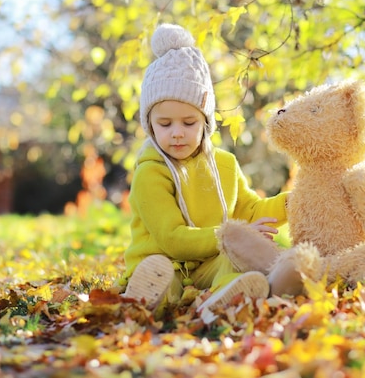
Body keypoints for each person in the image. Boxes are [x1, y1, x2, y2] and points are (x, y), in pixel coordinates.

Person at [121, 23, 288, 314]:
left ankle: (226, 297)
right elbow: (172, 238)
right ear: (150, 125)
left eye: (189, 123)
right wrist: (231, 235)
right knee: (164, 277)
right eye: (164, 124)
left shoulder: (224, 164)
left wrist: (292, 204)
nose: (177, 133)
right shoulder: (150, 172)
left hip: (207, 265)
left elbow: (250, 212)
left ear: (206, 122)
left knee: (235, 260)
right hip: (165, 261)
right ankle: (149, 299)